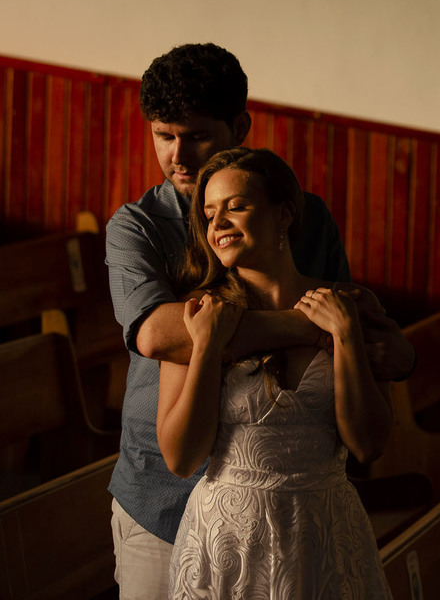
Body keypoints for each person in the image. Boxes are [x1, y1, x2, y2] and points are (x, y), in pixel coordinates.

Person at [105, 42, 413, 599]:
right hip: (162, 491)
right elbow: (157, 334)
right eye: (163, 135)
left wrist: (396, 351)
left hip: (298, 508)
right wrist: (315, 326)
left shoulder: (304, 216)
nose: (178, 156)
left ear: (240, 127)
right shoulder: (137, 226)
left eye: (197, 136)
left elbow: (363, 334)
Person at [159, 146, 393, 597]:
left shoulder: (349, 305)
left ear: (283, 215)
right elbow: (181, 460)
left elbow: (369, 445)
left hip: (325, 535)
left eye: (236, 207)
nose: (218, 224)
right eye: (209, 214)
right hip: (228, 541)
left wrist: (346, 336)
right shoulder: (199, 314)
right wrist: (207, 347)